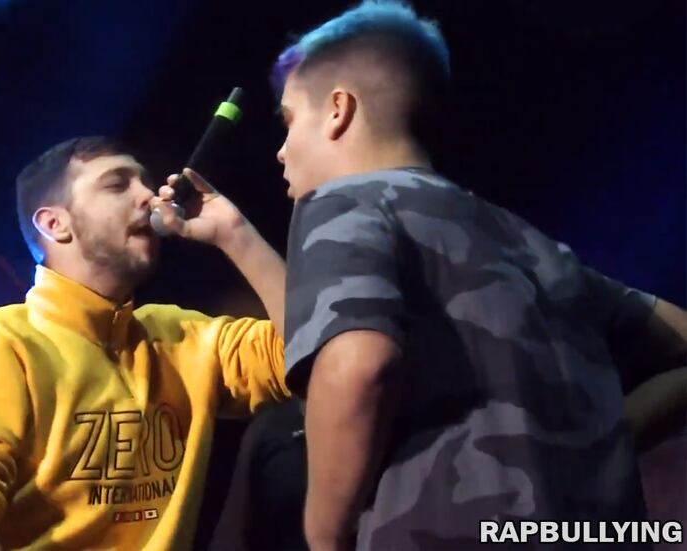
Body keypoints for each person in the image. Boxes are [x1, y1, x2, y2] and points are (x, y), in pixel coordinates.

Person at [271, 1, 687, 549]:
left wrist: (323, 534)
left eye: (289, 120)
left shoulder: (342, 204)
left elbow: (358, 365)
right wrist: (596, 448)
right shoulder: (533, 244)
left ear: (338, 110)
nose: (281, 152)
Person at [0, 136, 290, 550]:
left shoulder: (182, 337)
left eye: (144, 182)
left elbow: (314, 351)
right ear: (55, 224)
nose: (149, 196)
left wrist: (235, 234)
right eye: (117, 184)